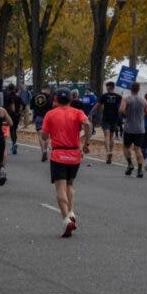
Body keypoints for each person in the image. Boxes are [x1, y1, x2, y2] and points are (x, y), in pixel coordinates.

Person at [40, 88, 92, 236]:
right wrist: (86, 143)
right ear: (70, 99)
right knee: (70, 184)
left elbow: (44, 136)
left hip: (58, 154)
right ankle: (71, 211)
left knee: (60, 187)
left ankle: (66, 220)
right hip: (74, 154)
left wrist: (48, 132)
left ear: (56, 99)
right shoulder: (77, 112)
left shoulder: (50, 114)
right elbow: (87, 124)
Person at [119, 82, 147, 178]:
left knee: (126, 147)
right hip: (140, 129)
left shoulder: (126, 99)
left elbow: (121, 110)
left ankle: (130, 164)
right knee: (138, 149)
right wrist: (141, 115)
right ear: (139, 89)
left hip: (128, 128)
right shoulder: (143, 101)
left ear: (131, 89)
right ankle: (140, 170)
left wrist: (125, 114)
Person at [92, 82, 122, 165]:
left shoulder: (104, 96)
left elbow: (97, 105)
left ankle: (108, 152)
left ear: (109, 87)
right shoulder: (119, 97)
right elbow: (121, 108)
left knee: (106, 136)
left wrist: (91, 113)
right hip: (114, 118)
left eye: (107, 86)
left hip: (106, 118)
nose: (106, 88)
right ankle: (110, 152)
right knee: (111, 137)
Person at [31, 85, 54, 161]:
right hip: (48, 117)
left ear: (42, 89)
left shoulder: (35, 96)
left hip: (38, 117)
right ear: (48, 89)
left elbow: (32, 107)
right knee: (47, 135)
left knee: (40, 135)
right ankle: (45, 150)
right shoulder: (50, 97)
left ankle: (43, 151)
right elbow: (53, 107)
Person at [4, 84, 25, 155]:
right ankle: (14, 143)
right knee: (14, 130)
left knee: (12, 130)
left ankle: (14, 144)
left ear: (8, 89)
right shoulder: (18, 97)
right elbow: (24, 104)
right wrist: (20, 111)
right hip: (17, 115)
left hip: (10, 115)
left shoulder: (8, 97)